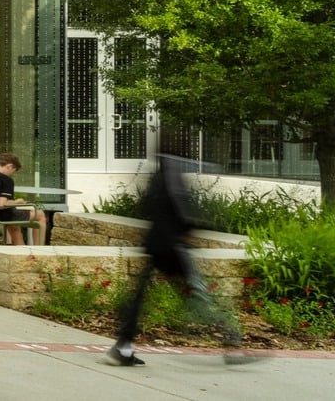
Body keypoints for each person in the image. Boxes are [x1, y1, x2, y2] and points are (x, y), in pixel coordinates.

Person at [108, 154, 252, 367]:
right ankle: (230, 341)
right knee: (200, 294)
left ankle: (124, 345)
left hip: (157, 244)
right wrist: (188, 229)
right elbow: (179, 205)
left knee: (141, 295)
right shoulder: (173, 171)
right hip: (173, 247)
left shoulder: (158, 173)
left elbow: (146, 205)